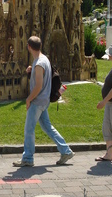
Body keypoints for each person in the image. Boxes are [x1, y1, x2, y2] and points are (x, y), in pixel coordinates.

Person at [13, 36, 74, 167]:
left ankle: (28, 158)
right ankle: (66, 151)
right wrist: (32, 70)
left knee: (29, 130)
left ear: (29, 47)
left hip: (37, 101)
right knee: (48, 128)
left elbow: (39, 86)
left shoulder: (39, 63)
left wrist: (29, 99)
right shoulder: (43, 59)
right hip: (44, 101)